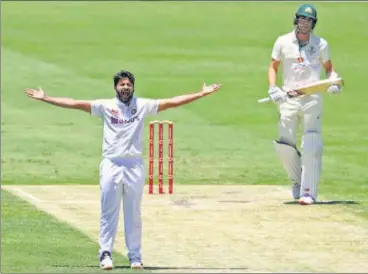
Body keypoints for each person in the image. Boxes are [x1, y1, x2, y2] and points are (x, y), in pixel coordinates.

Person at [24, 70, 222, 270]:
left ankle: (135, 256)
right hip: (111, 164)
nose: (125, 88)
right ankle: (105, 254)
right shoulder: (105, 106)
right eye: (122, 85)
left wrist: (201, 94)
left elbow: (172, 102)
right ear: (115, 87)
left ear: (133, 87)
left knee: (133, 213)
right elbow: (75, 103)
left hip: (134, 165)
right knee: (109, 211)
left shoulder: (142, 105)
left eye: (128, 84)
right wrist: (46, 98)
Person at [267, 4, 343, 205]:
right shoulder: (282, 41)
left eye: (308, 20)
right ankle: (297, 181)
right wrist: (273, 88)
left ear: (313, 23)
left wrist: (333, 82)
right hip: (288, 97)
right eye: (302, 19)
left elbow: (329, 69)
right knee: (284, 144)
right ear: (296, 20)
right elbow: (273, 66)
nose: (304, 23)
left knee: (311, 142)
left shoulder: (321, 44)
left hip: (312, 97)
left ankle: (308, 191)